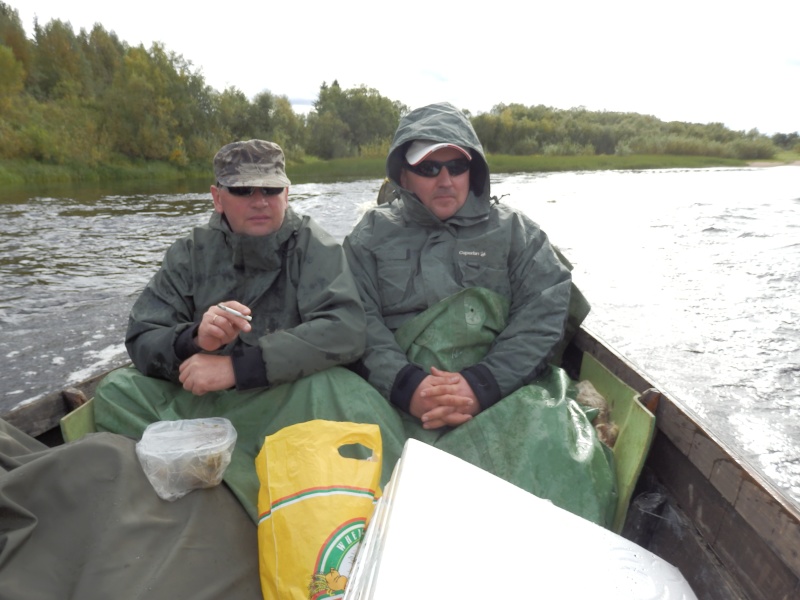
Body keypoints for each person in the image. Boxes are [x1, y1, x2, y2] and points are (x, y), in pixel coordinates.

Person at [91, 140, 405, 522]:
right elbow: (142, 334)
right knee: (115, 390)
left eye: (270, 189)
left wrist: (237, 368)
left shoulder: (313, 245)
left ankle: (223, 472)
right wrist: (193, 339)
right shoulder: (189, 252)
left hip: (284, 400)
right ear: (217, 198)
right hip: (209, 404)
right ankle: (232, 468)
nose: (260, 201)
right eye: (243, 191)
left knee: (337, 388)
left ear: (286, 193)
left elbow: (345, 329)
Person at [344, 102, 617, 527]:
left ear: (473, 171)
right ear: (403, 175)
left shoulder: (517, 233)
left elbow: (542, 313)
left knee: (556, 444)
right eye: (429, 168)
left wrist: (481, 385)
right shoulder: (368, 237)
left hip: (500, 393)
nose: (446, 180)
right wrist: (408, 386)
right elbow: (358, 319)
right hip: (396, 397)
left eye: (456, 166)